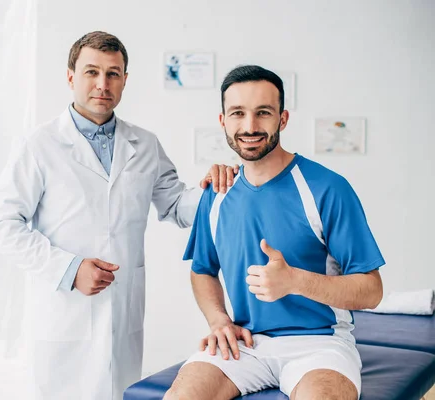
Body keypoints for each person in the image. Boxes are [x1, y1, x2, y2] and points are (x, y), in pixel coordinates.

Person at [0, 31, 237, 400]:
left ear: (125, 80)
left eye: (113, 74)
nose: (102, 84)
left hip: (122, 310)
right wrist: (69, 269)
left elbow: (175, 206)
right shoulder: (38, 145)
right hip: (63, 310)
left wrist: (217, 189)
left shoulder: (145, 144)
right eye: (91, 72)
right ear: (71, 77)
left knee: (119, 392)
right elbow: (2, 224)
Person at [164, 65, 385, 400]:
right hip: (246, 344)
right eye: (238, 113)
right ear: (223, 121)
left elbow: (371, 290)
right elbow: (202, 270)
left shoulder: (328, 189)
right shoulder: (217, 193)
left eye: (263, 113)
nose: (250, 126)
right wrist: (218, 321)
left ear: (282, 119)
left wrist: (296, 281)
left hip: (320, 343)